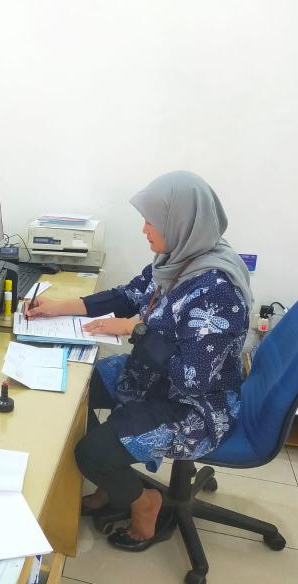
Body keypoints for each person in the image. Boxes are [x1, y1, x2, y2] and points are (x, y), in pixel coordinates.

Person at [26, 171, 252, 551]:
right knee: (75, 387)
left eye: (152, 222)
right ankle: (113, 481)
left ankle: (143, 503)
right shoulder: (175, 260)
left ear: (180, 223)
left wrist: (138, 331)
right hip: (152, 376)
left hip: (194, 406)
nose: (144, 229)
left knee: (90, 452)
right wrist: (60, 307)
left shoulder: (216, 292)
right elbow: (130, 295)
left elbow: (193, 379)